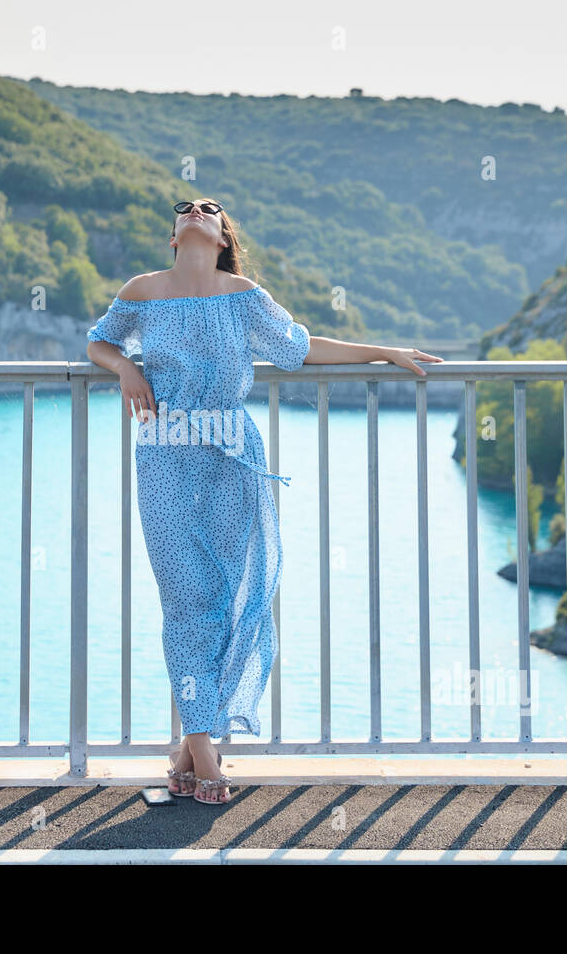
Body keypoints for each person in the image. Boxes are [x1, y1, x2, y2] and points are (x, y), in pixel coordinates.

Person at [85, 197, 443, 804]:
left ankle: (187, 749)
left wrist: (381, 351)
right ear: (175, 236)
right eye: (186, 208)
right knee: (185, 598)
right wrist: (124, 368)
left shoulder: (245, 293)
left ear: (222, 236)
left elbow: (300, 347)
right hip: (165, 455)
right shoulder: (143, 290)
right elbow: (99, 341)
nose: (196, 209)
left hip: (232, 458)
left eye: (209, 208)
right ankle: (204, 751)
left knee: (229, 599)